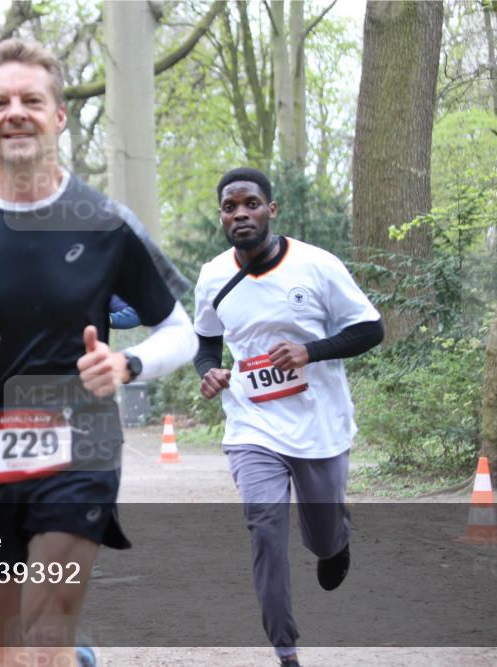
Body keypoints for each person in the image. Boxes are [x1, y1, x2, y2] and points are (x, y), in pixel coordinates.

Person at [0, 38, 196, 666]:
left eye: (31, 99)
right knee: (9, 648)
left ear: (59, 116)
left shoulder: (105, 221)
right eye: (0, 102)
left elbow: (180, 330)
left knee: (45, 631)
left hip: (81, 440)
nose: (15, 111)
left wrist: (128, 364)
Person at [192, 167, 384, 666]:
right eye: (230, 207)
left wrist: (309, 351)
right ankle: (286, 649)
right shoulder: (214, 275)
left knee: (321, 539)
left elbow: (371, 330)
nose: (240, 214)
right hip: (252, 425)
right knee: (265, 524)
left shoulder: (317, 266)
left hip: (319, 426)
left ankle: (334, 538)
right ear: (222, 216)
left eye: (251, 204)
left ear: (271, 210)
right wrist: (210, 371)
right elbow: (206, 341)